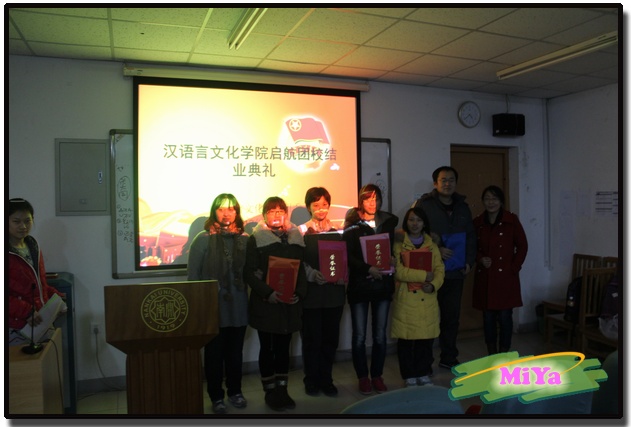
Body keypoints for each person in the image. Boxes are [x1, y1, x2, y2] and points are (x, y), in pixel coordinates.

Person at [187, 194, 249, 414]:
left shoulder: (245, 239)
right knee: (214, 355)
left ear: (237, 212)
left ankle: (235, 391)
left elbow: (252, 272)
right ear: (214, 211)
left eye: (231, 209)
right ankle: (216, 396)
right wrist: (198, 307)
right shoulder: (203, 239)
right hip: (212, 308)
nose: (226, 214)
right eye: (221, 209)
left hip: (238, 307)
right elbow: (193, 277)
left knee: (235, 354)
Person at [244, 196, 307, 412]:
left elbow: (301, 269)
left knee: (283, 348)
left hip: (289, 304)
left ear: (286, 214)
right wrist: (267, 292)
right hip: (266, 304)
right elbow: (249, 273)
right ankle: (270, 391)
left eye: (281, 211)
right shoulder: (256, 239)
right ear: (264, 215)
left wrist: (299, 293)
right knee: (267, 348)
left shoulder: (296, 237)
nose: (277, 214)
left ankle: (282, 389)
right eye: (272, 211)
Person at [412, 166, 475, 369]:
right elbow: (415, 233)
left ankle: (449, 358)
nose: (447, 183)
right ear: (435, 183)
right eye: (443, 180)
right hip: (431, 272)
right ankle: (424, 361)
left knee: (451, 318)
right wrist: (436, 249)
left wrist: (469, 261)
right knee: (427, 318)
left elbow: (471, 237)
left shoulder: (463, 207)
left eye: (451, 180)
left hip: (455, 273)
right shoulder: (424, 205)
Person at [343, 184, 398, 394]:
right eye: (368, 199)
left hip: (382, 286)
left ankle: (377, 375)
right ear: (361, 201)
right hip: (359, 285)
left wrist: (392, 259)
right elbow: (348, 254)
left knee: (379, 335)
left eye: (376, 199)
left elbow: (391, 248)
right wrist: (368, 268)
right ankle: (362, 377)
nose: (372, 203)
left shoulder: (388, 222)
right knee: (359, 336)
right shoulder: (352, 224)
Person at [298, 187, 346, 397]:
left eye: (324, 205)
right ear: (308, 207)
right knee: (311, 340)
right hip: (311, 295)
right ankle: (311, 380)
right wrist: (310, 273)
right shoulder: (300, 231)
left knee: (330, 340)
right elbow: (297, 261)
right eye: (316, 205)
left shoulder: (338, 230)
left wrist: (344, 274)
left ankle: (326, 379)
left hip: (334, 295)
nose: (320, 209)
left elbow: (344, 259)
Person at [391, 207, 445, 387]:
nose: (415, 224)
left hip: (427, 298)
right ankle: (409, 375)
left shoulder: (432, 245)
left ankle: (423, 372)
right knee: (406, 341)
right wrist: (424, 276)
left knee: (425, 340)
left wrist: (434, 284)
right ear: (406, 222)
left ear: (424, 223)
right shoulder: (398, 245)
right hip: (406, 299)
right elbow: (399, 272)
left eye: (419, 220)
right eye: (411, 220)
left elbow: (439, 270)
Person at [473, 185, 528, 354]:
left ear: (501, 201)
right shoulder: (478, 222)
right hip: (486, 276)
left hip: (506, 277)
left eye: (494, 199)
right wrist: (480, 258)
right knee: (488, 318)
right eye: (487, 199)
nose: (491, 202)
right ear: (483, 201)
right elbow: (471, 247)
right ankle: (491, 353)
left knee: (505, 317)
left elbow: (523, 246)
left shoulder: (511, 220)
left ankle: (504, 352)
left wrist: (514, 268)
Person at [8, 198, 66, 345]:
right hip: (16, 325)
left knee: (50, 357)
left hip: (40, 320)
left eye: (27, 221)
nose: (23, 226)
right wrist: (26, 312)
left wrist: (55, 298)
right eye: (16, 221)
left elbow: (39, 284)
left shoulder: (32, 245)